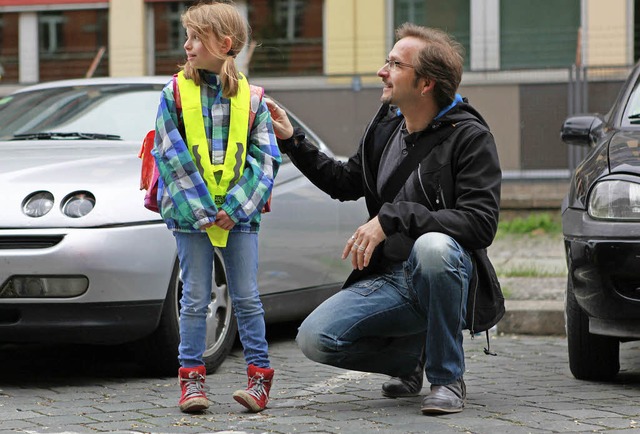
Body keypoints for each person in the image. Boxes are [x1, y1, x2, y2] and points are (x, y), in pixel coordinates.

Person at [266, 23, 501, 415]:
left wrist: (392, 217)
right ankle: (410, 360)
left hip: (442, 274)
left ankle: (447, 379)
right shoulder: (385, 124)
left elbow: (480, 224)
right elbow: (345, 182)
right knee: (315, 338)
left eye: (394, 63)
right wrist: (294, 141)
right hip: (390, 280)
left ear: (425, 83)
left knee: (433, 247)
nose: (382, 70)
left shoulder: (470, 137)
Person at [152, 1, 281, 414]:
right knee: (193, 298)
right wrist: (205, 211)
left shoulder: (253, 98)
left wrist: (237, 208)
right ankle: (192, 383)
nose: (186, 45)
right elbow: (169, 154)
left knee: (246, 297)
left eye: (195, 37)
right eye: (186, 36)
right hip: (192, 218)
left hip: (239, 217)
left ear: (224, 44)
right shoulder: (173, 93)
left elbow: (266, 160)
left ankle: (258, 382)